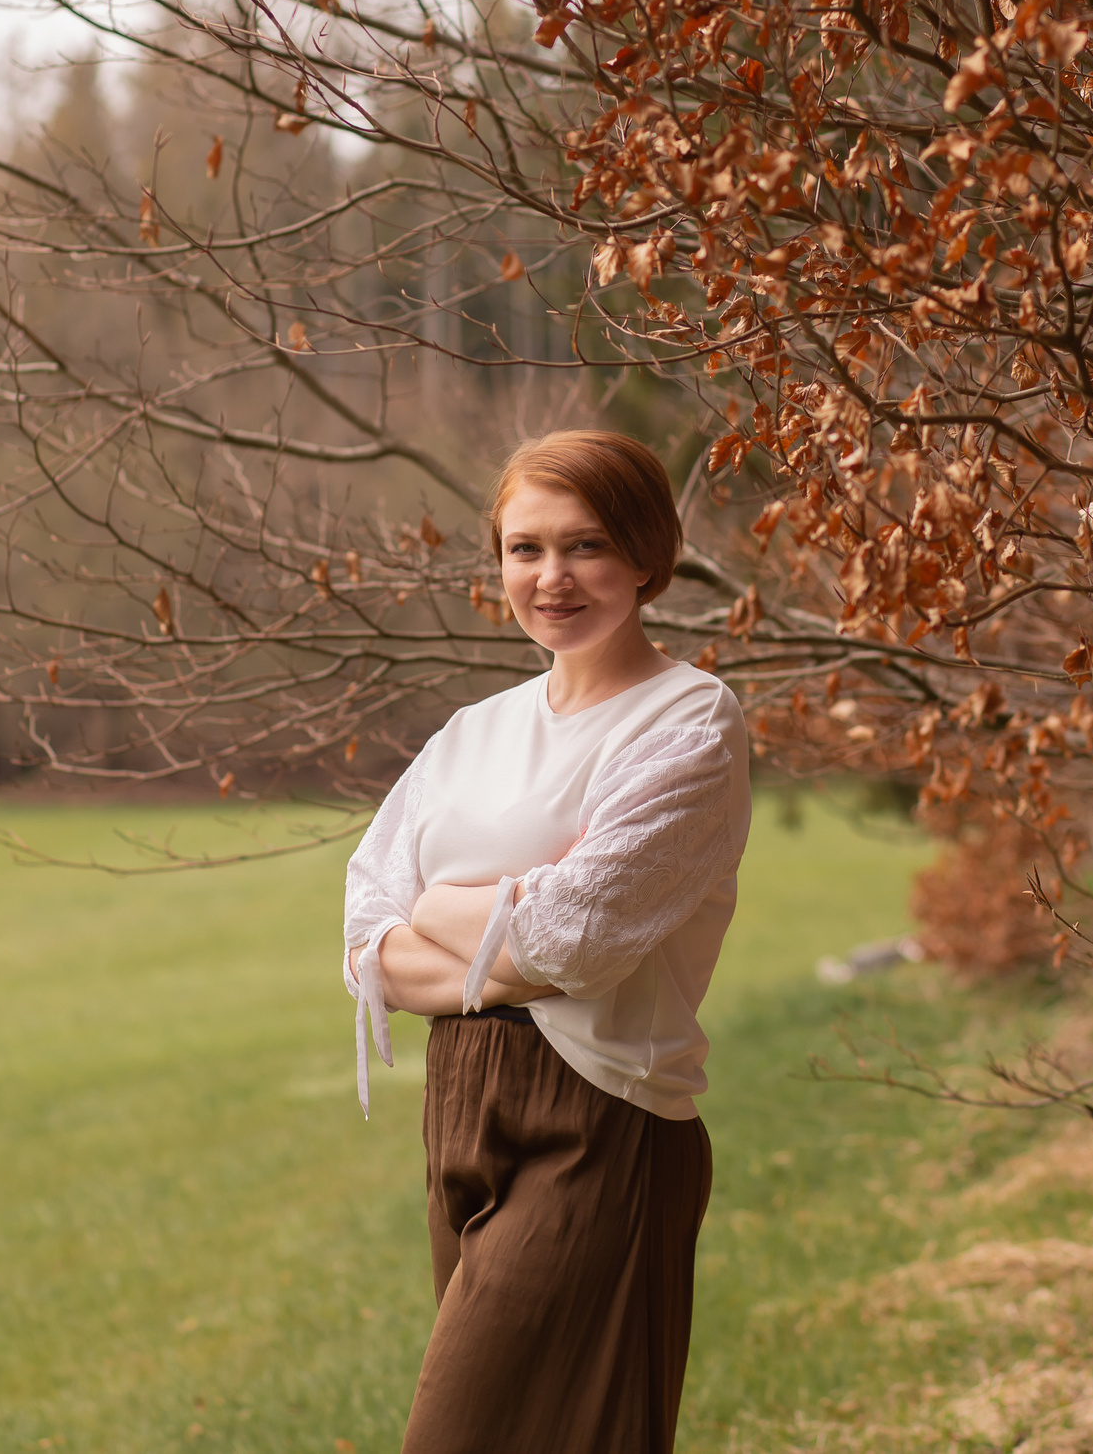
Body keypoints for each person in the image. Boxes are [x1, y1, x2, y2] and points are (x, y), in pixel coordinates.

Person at [342, 429, 753, 1454]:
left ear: (648, 557)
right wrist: (499, 918)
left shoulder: (687, 724)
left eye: (586, 547)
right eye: (524, 549)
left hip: (602, 1111)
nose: (552, 577)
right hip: (459, 1107)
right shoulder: (472, 732)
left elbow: (579, 938)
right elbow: (363, 939)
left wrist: (438, 904)